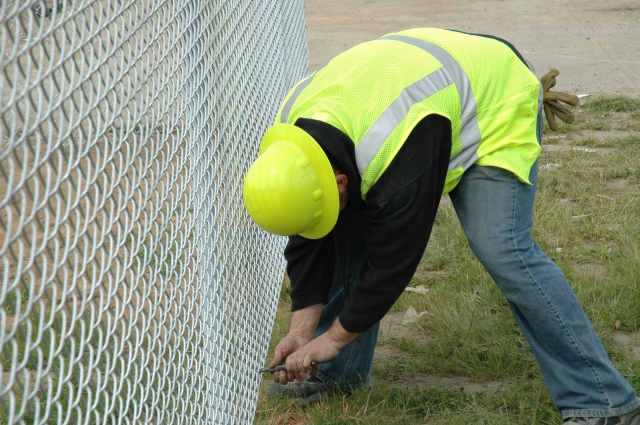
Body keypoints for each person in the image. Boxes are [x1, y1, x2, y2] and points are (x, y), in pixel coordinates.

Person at [243, 28, 640, 424]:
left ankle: (603, 401)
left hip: (493, 96)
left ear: (339, 179)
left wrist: (330, 340)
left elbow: (391, 264)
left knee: (502, 250)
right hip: (426, 95)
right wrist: (301, 332)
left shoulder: (393, 151)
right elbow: (309, 238)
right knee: (340, 224)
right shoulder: (293, 146)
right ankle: (336, 376)